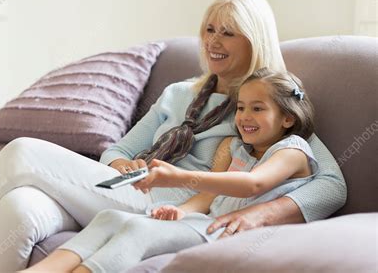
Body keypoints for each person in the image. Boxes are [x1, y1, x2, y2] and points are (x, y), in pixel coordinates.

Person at [0, 0, 346, 273]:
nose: (213, 41)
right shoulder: (178, 93)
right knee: (18, 207)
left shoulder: (265, 107)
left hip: (172, 204)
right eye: (209, 29)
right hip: (127, 187)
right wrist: (121, 163)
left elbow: (330, 182)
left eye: (228, 33)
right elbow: (116, 149)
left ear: (256, 39)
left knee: (21, 152)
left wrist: (263, 213)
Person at [25, 68, 321, 273]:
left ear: (287, 118)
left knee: (138, 229)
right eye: (241, 108)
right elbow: (206, 198)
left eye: (258, 109)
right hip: (203, 222)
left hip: (228, 232)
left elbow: (253, 184)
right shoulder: (233, 148)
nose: (244, 117)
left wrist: (177, 176)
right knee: (109, 217)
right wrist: (179, 211)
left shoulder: (292, 151)